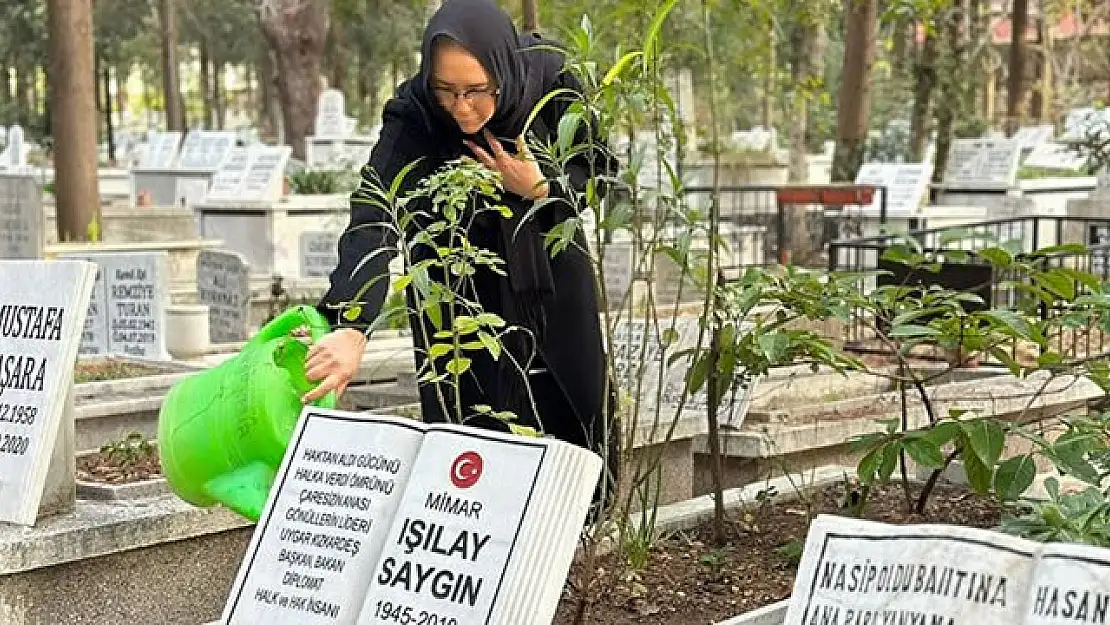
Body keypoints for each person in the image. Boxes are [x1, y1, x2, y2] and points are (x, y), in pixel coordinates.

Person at [303, 0, 618, 461]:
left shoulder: (551, 81)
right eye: (446, 90)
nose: (462, 108)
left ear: (502, 72)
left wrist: (542, 187)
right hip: (458, 288)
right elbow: (374, 211)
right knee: (469, 435)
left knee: (574, 415)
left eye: (477, 90)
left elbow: (600, 172)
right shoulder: (417, 114)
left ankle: (583, 528)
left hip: (551, 275)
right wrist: (352, 325)